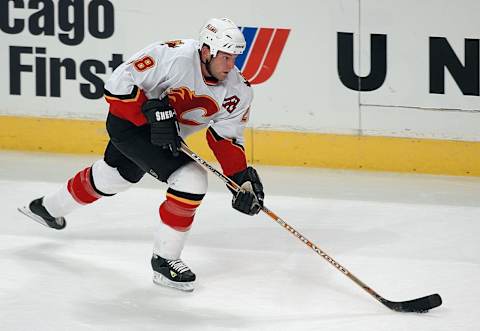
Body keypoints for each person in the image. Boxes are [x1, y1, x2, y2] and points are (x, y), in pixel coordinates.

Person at [18, 18, 265, 292]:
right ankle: (165, 261)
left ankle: (46, 208)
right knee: (191, 178)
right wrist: (149, 114)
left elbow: (226, 139)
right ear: (206, 50)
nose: (230, 66)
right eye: (226, 57)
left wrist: (240, 178)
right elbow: (117, 85)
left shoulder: (238, 91)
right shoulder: (173, 55)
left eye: (235, 58)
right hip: (129, 124)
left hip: (166, 138)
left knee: (113, 177)